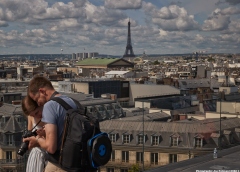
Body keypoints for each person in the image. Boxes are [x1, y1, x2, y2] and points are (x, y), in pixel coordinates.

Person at [23, 76, 77, 172]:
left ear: (42, 91)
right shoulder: (70, 101)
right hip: (74, 162)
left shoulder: (49, 106)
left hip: (59, 165)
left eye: (36, 99)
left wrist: (37, 140)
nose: (38, 104)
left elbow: (51, 148)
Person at [22, 95, 47, 172]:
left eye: (37, 112)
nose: (37, 116)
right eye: (33, 115)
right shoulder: (31, 117)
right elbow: (29, 135)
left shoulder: (50, 113)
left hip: (49, 152)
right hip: (37, 155)